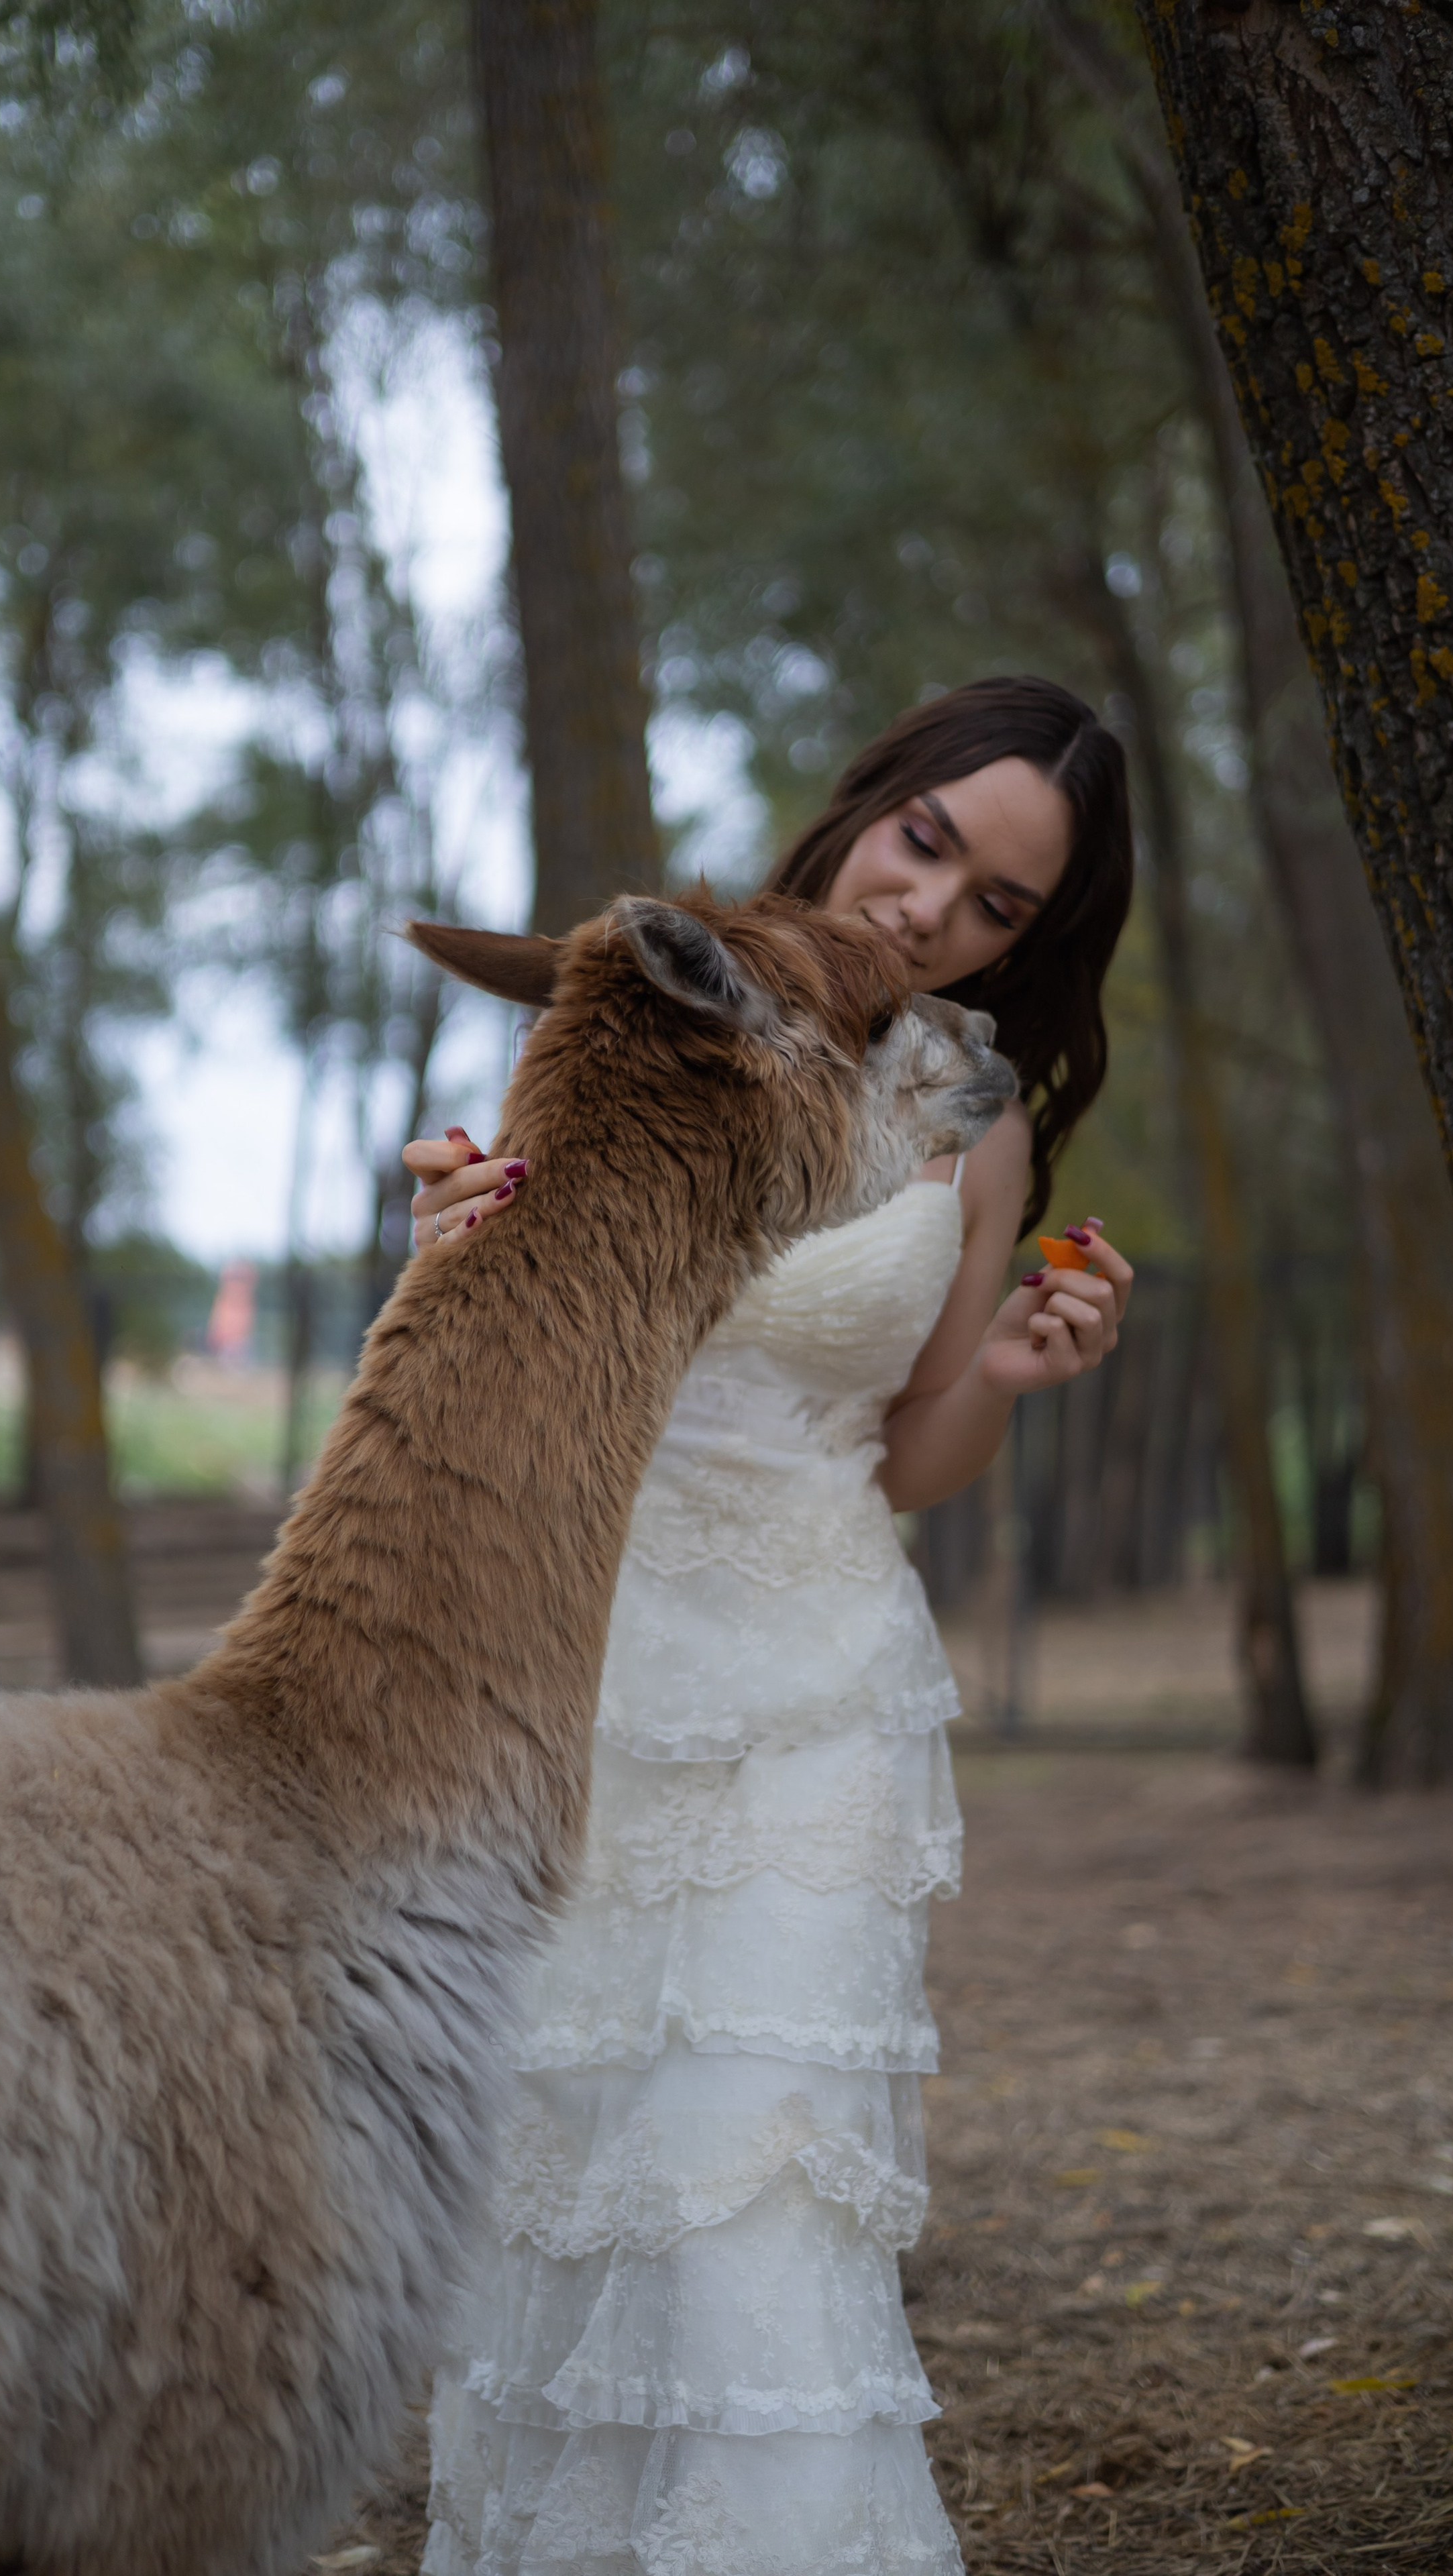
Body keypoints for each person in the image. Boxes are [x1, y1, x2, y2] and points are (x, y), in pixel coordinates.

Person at [409, 676, 1134, 2575]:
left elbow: (912, 1460)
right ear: (869, 800)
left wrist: (1006, 1365)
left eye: (998, 907)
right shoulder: (653, 1006)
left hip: (818, 1689)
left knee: (755, 2180)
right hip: (588, 1659)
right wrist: (447, 1251)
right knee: (568, 2170)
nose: (934, 910)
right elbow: (529, 1322)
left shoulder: (967, 1108)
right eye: (929, 843)